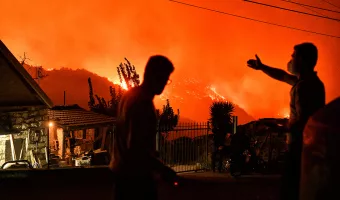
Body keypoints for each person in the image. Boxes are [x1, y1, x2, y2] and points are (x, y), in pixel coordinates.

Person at [247, 42, 325, 200]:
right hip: (307, 148)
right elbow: (282, 75)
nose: (290, 58)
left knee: (291, 191)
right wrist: (262, 67)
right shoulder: (309, 83)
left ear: (302, 60)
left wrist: (278, 127)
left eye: (294, 55)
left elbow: (303, 121)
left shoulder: (304, 87)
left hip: (299, 148)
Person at [109, 55, 179, 200]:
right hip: (136, 180)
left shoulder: (128, 96)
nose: (165, 83)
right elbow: (135, 148)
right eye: (165, 78)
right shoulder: (143, 104)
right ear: (154, 76)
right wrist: (163, 170)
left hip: (121, 174)